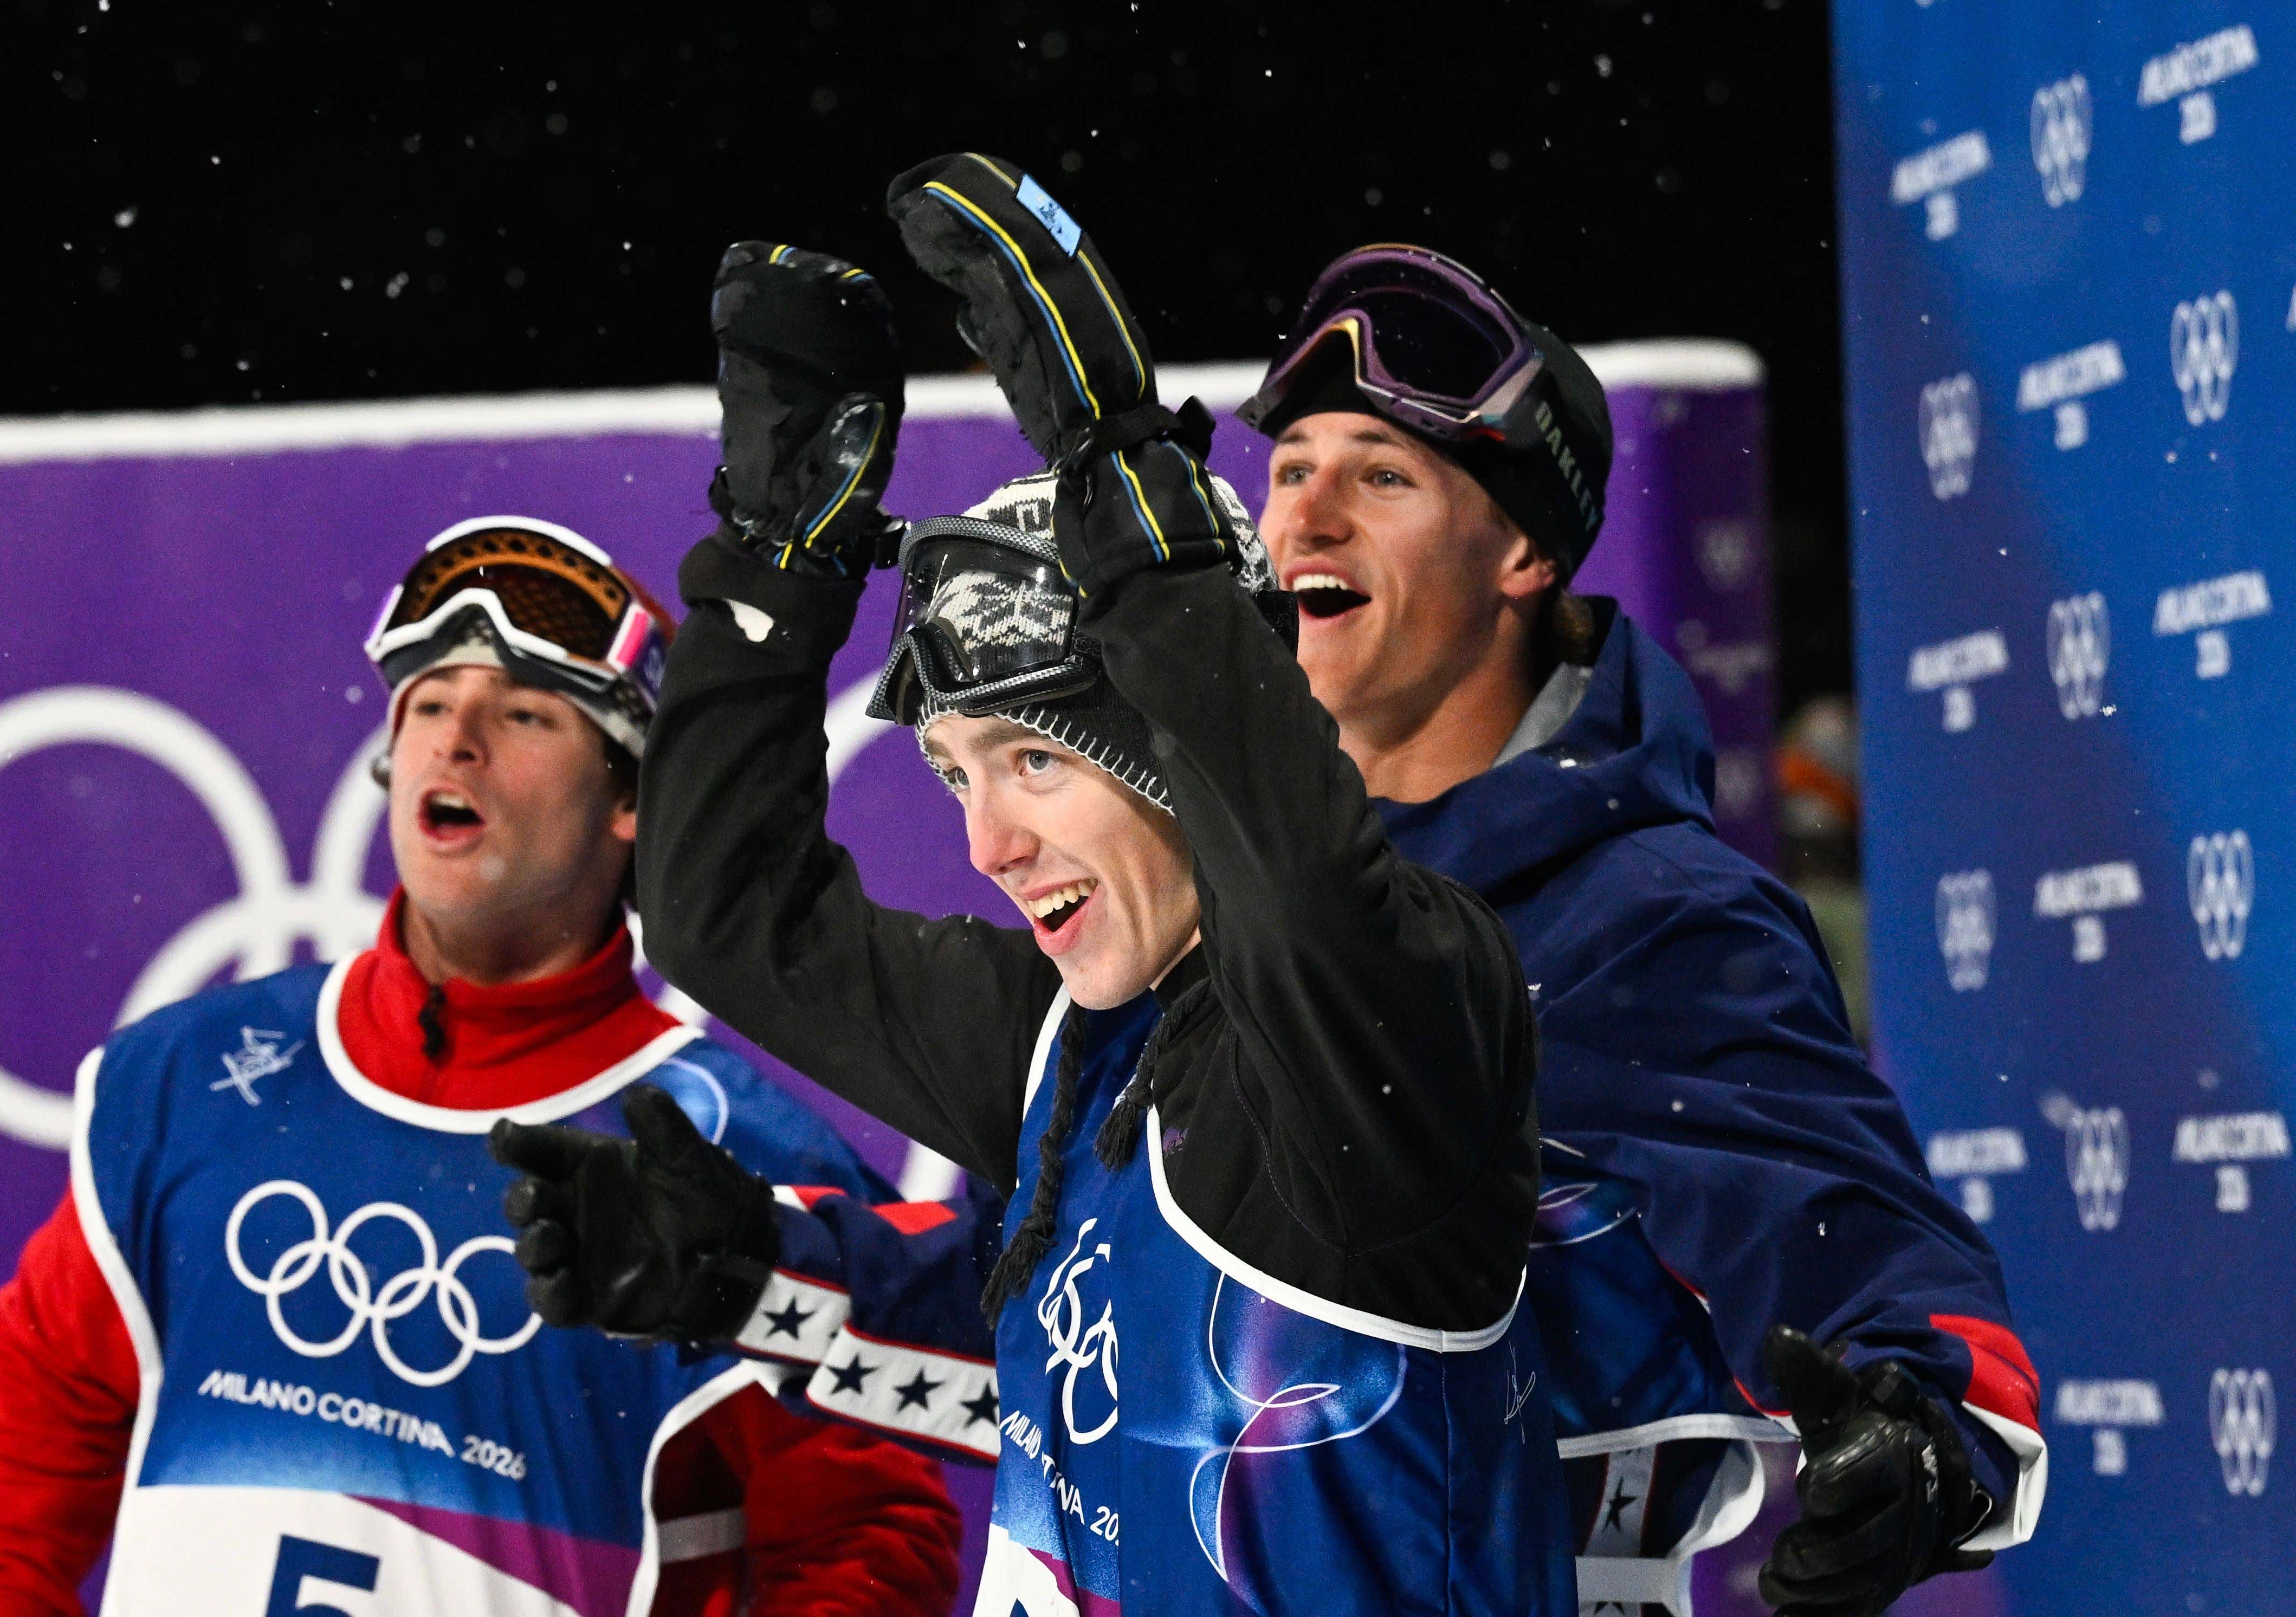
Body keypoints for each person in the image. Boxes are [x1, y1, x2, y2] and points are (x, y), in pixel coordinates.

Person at [491, 167, 1572, 1616]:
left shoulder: (1392, 1022)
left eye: (1034, 761)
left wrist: (1116, 456)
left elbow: (1304, 891)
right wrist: (775, 566)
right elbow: (726, 917)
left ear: (1171, 747)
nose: (988, 846)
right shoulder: (1066, 1044)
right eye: (954, 776)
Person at [0, 518, 961, 1616]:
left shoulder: (742, 1171)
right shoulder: (190, 1075)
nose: (455, 740)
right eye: (426, 705)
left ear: (631, 801)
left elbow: (870, 1542)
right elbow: (36, 1433)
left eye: (523, 713)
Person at [1233, 244, 2043, 1616]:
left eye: (1380, 476)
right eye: (1289, 468)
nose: (1303, 515)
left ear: (1525, 553)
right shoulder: (1226, 891)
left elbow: (1859, 1246)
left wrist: (1925, 1429)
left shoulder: (1639, 912)